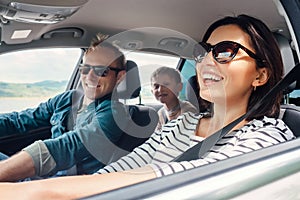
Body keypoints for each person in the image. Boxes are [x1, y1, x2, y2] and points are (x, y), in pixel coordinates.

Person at [0, 14, 296, 199]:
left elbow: (189, 177)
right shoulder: (181, 125)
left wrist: (36, 192)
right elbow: (128, 167)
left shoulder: (268, 134)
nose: (206, 61)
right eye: (203, 52)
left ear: (260, 74)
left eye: (224, 51)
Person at [0, 34, 130, 181]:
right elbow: (19, 120)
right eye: (85, 69)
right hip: (44, 176)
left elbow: (66, 147)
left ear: (119, 77)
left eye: (102, 71)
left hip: (64, 186)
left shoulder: (114, 113)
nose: (90, 77)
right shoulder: (68, 99)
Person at [150, 66, 197, 131]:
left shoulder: (188, 111)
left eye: (166, 84)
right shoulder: (161, 113)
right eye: (156, 86)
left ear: (179, 87)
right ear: (152, 91)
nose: (160, 89)